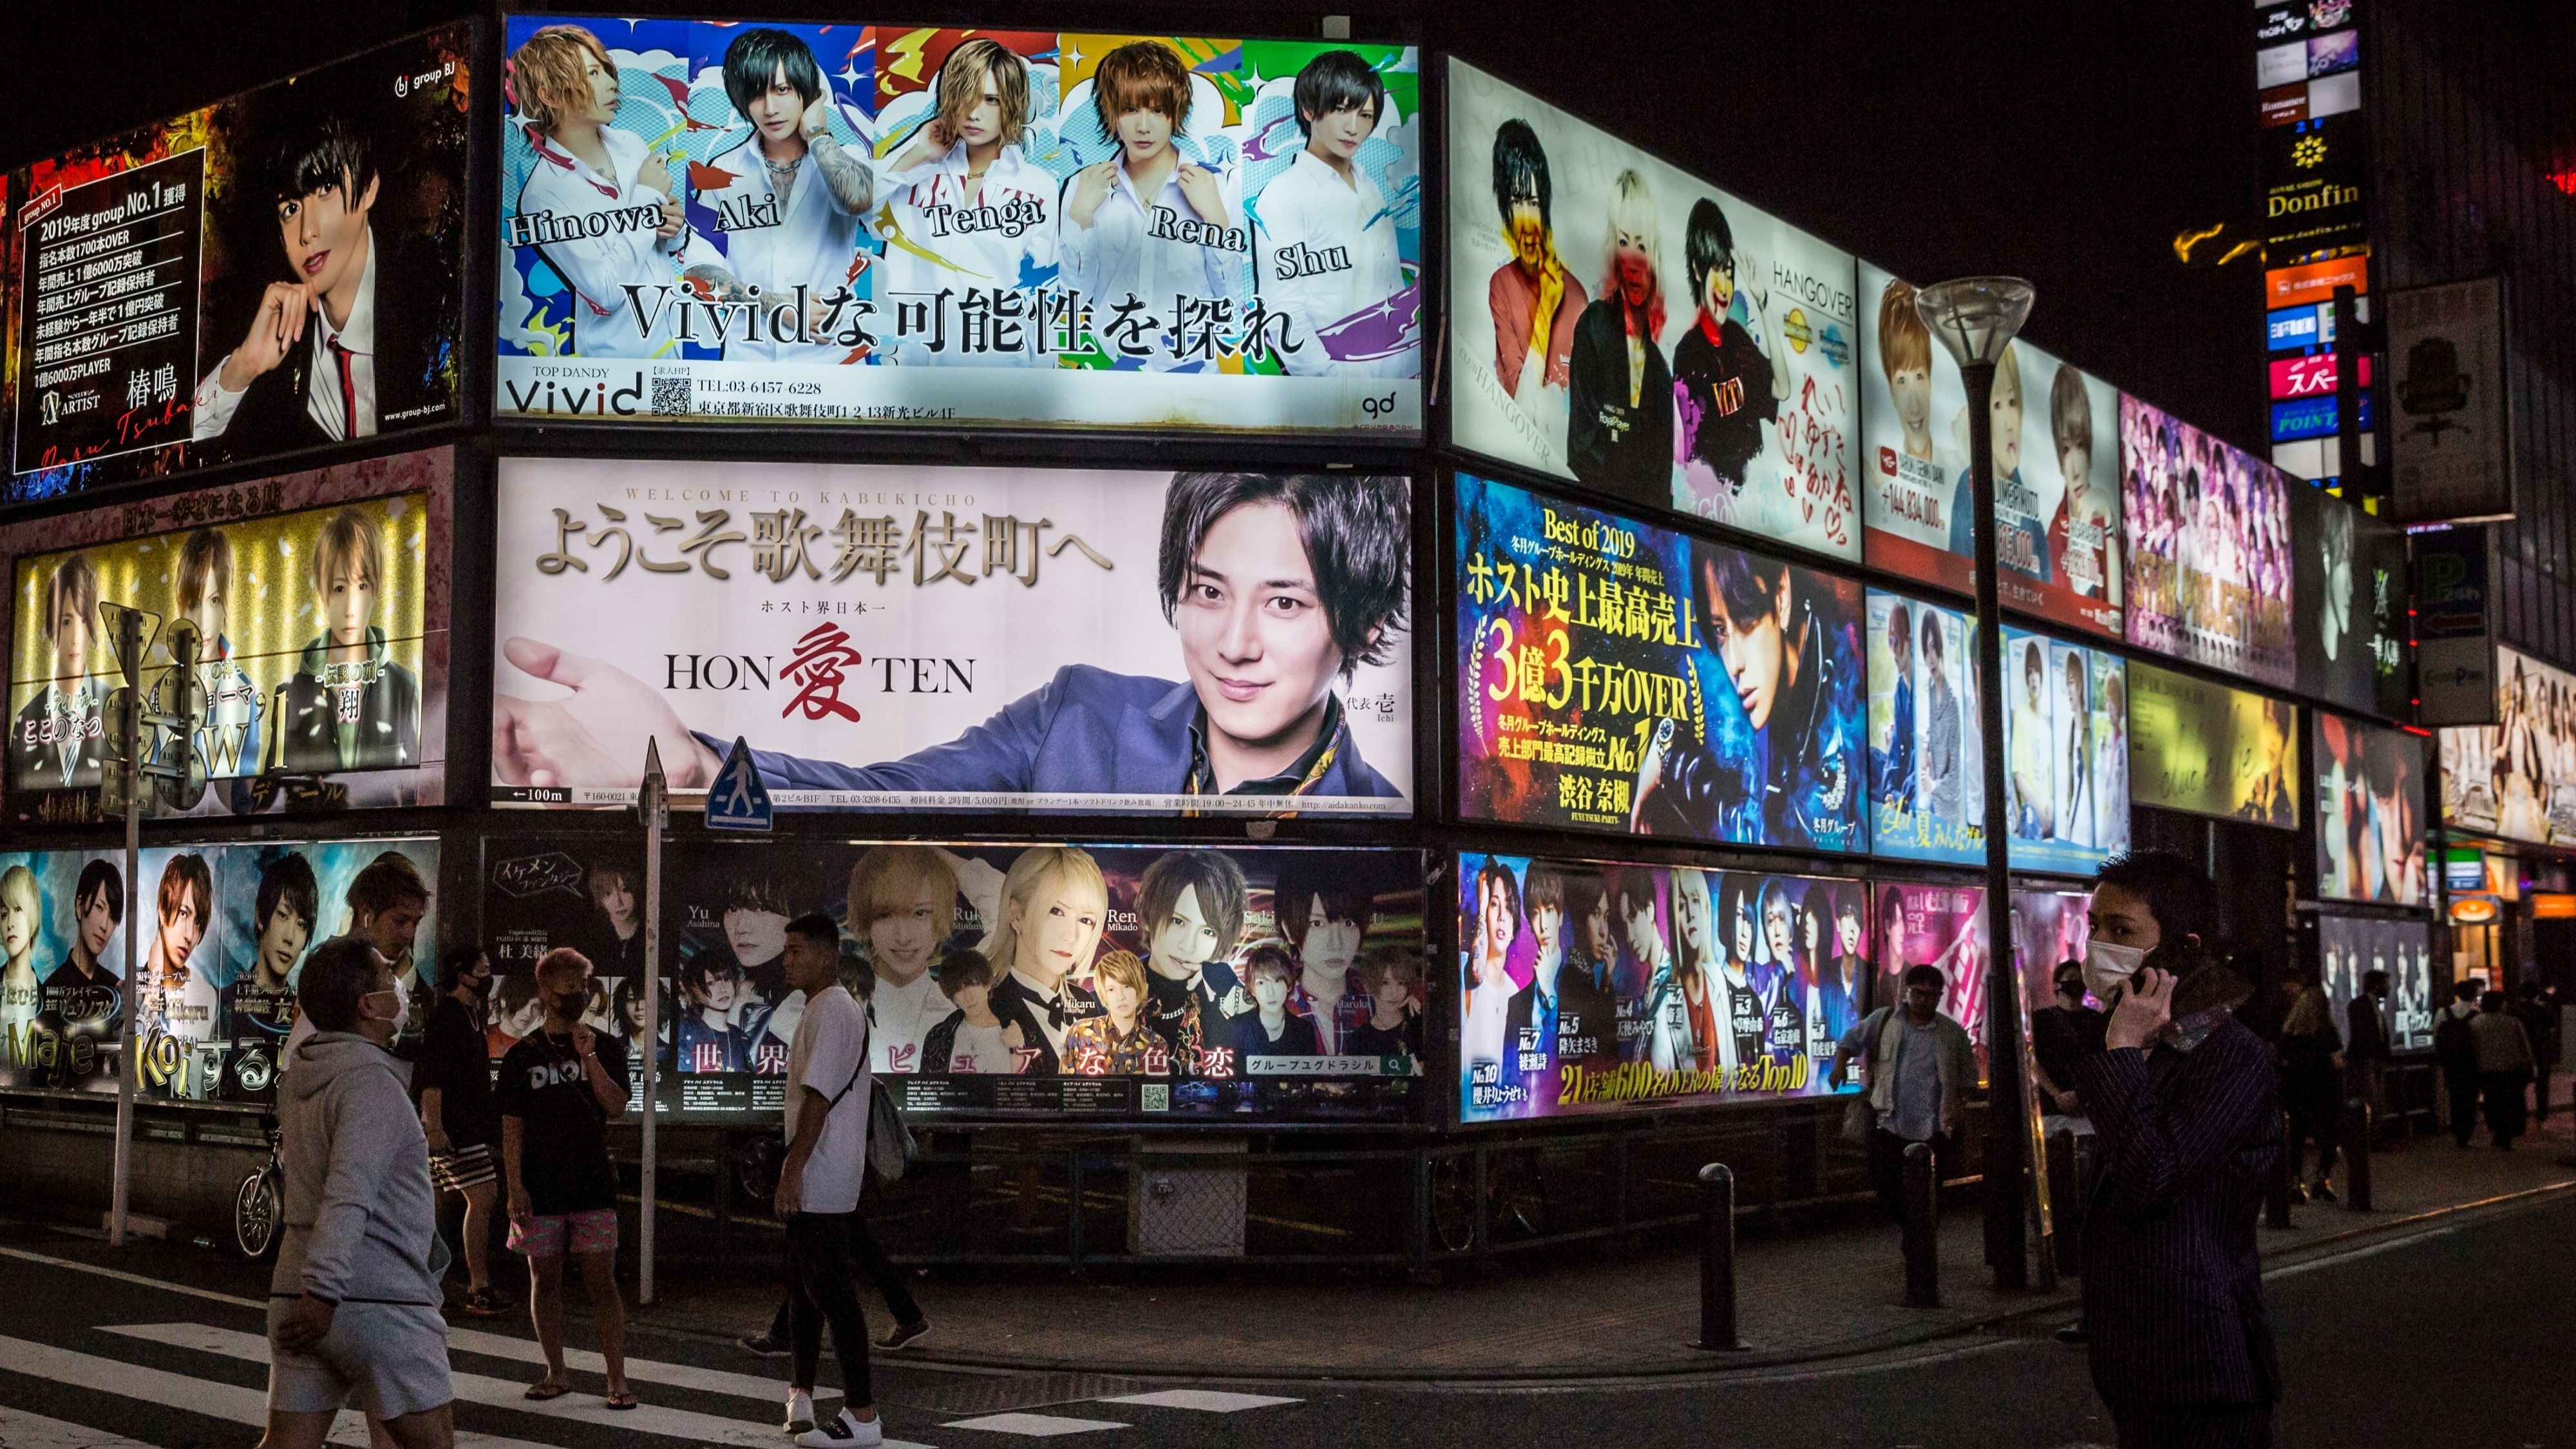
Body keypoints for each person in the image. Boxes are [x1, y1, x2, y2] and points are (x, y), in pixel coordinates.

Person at [494, 471, 1410, 802]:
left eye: (1285, 604)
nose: (1234, 642)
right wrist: (694, 763)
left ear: (1361, 620)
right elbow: (884, 795)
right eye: (1208, 591)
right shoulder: (1081, 716)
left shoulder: (1379, 810)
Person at [2072, 849, 2277, 1449]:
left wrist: (2121, 1053)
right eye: (2094, 926)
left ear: (2183, 949)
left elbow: (2150, 1177)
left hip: (2202, 1374)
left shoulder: (2232, 1055)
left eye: (2122, 931)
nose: (2099, 945)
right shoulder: (2155, 1042)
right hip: (2140, 1369)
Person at [264, 936, 455, 1449]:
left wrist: (313, 1293)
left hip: (295, 1288)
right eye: (388, 979)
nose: (400, 988)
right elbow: (348, 1193)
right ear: (368, 1006)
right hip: (377, 1297)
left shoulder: (302, 1078)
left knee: (287, 1444)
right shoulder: (372, 1083)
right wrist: (325, 1292)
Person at [191, 114, 440, 451]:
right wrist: (244, 365)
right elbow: (177, 451)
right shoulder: (275, 333)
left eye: (326, 189)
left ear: (369, 187)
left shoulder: (430, 298)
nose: (307, 232)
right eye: (291, 208)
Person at [506, 25, 715, 357]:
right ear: (550, 95)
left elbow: (667, 242)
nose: (611, 82)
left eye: (606, 69)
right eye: (593, 73)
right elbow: (606, 291)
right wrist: (646, 200)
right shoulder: (542, 195)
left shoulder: (631, 145)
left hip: (670, 348)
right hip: (613, 366)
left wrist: (673, 227)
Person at [1633, 544, 1855, 848]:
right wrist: (1667, 748)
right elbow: (1755, 817)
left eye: (1745, 618)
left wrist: (1671, 756)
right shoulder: (1783, 700)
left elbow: (1767, 837)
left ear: (1781, 596)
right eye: (1721, 631)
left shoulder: (1841, 704)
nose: (1734, 662)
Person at [496, 949, 633, 1407]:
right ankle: (556, 1371)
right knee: (544, 1279)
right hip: (540, 1188)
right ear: (545, 990)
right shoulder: (521, 1056)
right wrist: (515, 1186)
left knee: (602, 1282)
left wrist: (588, 1058)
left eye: (582, 986)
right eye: (568, 987)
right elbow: (511, 1127)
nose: (577, 995)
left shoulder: (605, 1046)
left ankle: (617, 1378)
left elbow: (617, 1105)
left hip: (592, 1184)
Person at [775, 912, 893, 1446]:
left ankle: (862, 1414)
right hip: (820, 1170)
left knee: (832, 1292)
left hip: (822, 1173)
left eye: (797, 950)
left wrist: (792, 1169)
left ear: (827, 956)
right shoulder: (823, 1007)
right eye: (787, 950)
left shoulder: (834, 1010)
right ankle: (801, 1394)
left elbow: (819, 1098)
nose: (787, 960)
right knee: (805, 1289)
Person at [1058, 40, 1243, 373]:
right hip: (1107, 372)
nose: (1144, 126)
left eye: (1157, 110)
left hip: (1194, 375)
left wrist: (1215, 219)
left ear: (1175, 113)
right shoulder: (1084, 186)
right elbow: (1073, 299)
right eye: (1130, 109)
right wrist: (1081, 216)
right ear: (1113, 112)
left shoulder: (1219, 187)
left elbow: (1232, 300)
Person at [698, 28, 875, 365]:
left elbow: (858, 200)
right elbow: (700, 267)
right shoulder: (722, 171)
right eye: (756, 94)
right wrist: (776, 305)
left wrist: (818, 133)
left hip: (833, 358)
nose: (770, 108)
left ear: (807, 93)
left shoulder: (847, 159)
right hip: (748, 360)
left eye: (782, 90)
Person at [877, 39, 1056, 368]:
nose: (974, 113)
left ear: (1013, 104)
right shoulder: (916, 170)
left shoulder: (1037, 187)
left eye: (991, 100)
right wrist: (919, 153)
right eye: (966, 96)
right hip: (911, 368)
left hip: (997, 368)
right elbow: (855, 208)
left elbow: (1045, 290)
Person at [1251, 50, 1413, 377]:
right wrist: (1333, 385)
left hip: (1396, 382)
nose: (1354, 128)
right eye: (1341, 110)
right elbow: (1283, 313)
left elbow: (1393, 286)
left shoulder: (1368, 185)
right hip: (1336, 387)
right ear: (1309, 110)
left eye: (1365, 115)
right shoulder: (1284, 195)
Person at [278, 506, 422, 773]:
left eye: (362, 586)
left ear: (375, 589)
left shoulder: (404, 687)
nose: (350, 607)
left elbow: (417, 784)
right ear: (323, 593)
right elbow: (273, 790)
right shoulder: (290, 694)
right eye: (339, 588)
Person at [1565, 169, 1672, 505]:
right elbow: (1582, 448)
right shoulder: (1593, 326)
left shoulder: (1660, 372)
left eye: (1642, 245)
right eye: (1624, 243)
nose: (1634, 261)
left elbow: (1663, 486)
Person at [1836, 963, 1975, 1223]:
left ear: (1939, 997)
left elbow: (1968, 1076)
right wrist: (1839, 1066)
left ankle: (1919, 1237)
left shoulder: (1951, 1033)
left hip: (1935, 1129)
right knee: (1886, 1185)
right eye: (1918, 993)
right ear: (1907, 993)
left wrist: (1961, 1104)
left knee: (1930, 1194)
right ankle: (1911, 1228)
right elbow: (1851, 1040)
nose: (1924, 1001)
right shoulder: (1886, 1021)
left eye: (1931, 995)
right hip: (1890, 1124)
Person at [1672, 197, 1788, 501]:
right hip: (1708, 506)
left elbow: (1782, 388)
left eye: (1729, 272)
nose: (1726, 287)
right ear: (1698, 270)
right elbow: (1688, 455)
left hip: (1749, 507)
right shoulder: (1687, 353)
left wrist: (1763, 302)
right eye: (1717, 270)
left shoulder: (1737, 339)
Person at [413, 946, 501, 1317]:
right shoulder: (448, 1017)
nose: (487, 976)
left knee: (438, 1207)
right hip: (454, 1128)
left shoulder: (470, 1015)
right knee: (483, 1196)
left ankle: (425, 1284)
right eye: (482, 969)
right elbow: (431, 1077)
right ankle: (479, 1286)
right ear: (463, 975)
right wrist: (435, 1128)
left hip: (460, 1125)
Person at [1486, 118, 1586, 424]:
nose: (1528, 221)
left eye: (1534, 202)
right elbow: (1523, 411)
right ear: (1506, 208)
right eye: (1517, 203)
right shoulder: (1502, 284)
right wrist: (1545, 311)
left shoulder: (1577, 297)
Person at [976, 847, 1108, 1075]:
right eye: (1056, 911)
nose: (1072, 936)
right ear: (1016, 915)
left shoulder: (1087, 1003)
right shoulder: (985, 1004)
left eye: (1086, 920)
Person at [846, 846, 971, 1074]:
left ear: (941, 915)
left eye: (920, 913)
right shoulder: (837, 1004)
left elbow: (1002, 896)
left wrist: (934, 850)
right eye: (886, 915)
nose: (903, 937)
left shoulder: (963, 1011)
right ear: (866, 918)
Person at [1135, 850, 1251, 1070]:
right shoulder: (1106, 996)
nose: (1189, 946)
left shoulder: (1225, 996)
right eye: (1178, 921)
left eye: (1208, 932)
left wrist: (1229, 992)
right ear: (1149, 917)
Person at [1504, 862, 1616, 1083]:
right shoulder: (1517, 1003)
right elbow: (1509, 1078)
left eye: (1549, 911)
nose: (1544, 925)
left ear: (1562, 915)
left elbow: (1595, 1062)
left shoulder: (1577, 982)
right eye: (1535, 914)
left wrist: (1550, 996)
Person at [12, 554, 106, 793]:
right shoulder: (26, 719)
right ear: (51, 627)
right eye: (66, 622)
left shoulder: (114, 705)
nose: (76, 638)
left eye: (84, 621)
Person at [35, 860, 124, 1089]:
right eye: (100, 908)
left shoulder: (115, 990)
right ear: (79, 905)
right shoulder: (51, 990)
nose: (105, 925)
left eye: (113, 917)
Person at [1273, 855, 1376, 1054]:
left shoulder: (1378, 998)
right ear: (1288, 929)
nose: (1336, 943)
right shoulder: (1274, 1002)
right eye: (1318, 924)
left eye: (1348, 923)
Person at [2276, 969, 2345, 1200]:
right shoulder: (2327, 1032)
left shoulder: (2289, 1033)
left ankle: (2295, 1181)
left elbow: (2282, 1060)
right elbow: (2337, 1062)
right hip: (2324, 1089)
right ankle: (2322, 1178)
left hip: (2296, 1090)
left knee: (2296, 1135)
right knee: (2329, 1135)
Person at [2049, 363, 2114, 601]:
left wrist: (2109, 525)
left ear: (2090, 451)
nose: (2075, 470)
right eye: (2066, 450)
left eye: (2080, 445)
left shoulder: (2106, 522)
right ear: (2059, 458)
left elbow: (2120, 612)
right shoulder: (2054, 537)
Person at [1059, 949, 1171, 1075]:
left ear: (1139, 988)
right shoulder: (1079, 1033)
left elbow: (1159, 1087)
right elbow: (1064, 1085)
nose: (1121, 997)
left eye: (1127, 987)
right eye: (1111, 990)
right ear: (1103, 994)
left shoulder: (1156, 1044)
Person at [918, 950, 1019, 1075]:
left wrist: (1020, 1046)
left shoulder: (1016, 1029)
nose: (968, 997)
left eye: (973, 985)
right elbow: (927, 1083)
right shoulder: (939, 1036)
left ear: (987, 984)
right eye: (958, 990)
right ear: (953, 998)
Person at [2030, 960, 2106, 1117]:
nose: (2076, 984)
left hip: (2090, 1112)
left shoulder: (2097, 1021)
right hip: (2051, 1112)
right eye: (2071, 978)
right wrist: (2057, 1095)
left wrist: (2083, 1096)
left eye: (2080, 980)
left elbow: (2103, 1064)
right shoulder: (2040, 1020)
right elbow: (2031, 1061)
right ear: (2057, 985)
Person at [1226, 943, 1322, 1061]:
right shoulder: (1236, 1027)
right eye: (1261, 983)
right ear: (1252, 990)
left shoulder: (1304, 1031)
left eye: (1277, 981)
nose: (1270, 992)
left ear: (1289, 985)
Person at [2470, 990, 2535, 1151]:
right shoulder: (2512, 1022)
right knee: (2510, 1103)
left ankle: (2497, 1132)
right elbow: (2525, 1047)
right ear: (2501, 1004)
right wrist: (2530, 1064)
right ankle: (2506, 1136)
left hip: (2486, 1070)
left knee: (2492, 1101)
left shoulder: (2475, 1023)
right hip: (2511, 1070)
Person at [1344, 945, 1425, 1070]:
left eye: (1401, 983)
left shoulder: (1420, 1026)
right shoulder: (1358, 1040)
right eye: (1385, 983)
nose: (1394, 992)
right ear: (1368, 985)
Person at [1918, 611, 1962, 828]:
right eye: (1926, 651)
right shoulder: (1928, 688)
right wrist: (1926, 747)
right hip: (1932, 802)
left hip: (1947, 812)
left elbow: (1954, 782)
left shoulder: (1952, 703)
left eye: (1933, 647)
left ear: (1941, 647)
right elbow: (1932, 729)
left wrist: (1933, 785)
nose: (1930, 658)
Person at [2434, 979, 2484, 1148]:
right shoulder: (2477, 1014)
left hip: (2452, 1064)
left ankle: (2458, 1132)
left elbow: (2436, 1036)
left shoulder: (2443, 1012)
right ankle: (2467, 1133)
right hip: (2471, 1064)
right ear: (2474, 994)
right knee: (2471, 1098)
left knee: (2455, 1097)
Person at [2344, 967, 2392, 1133]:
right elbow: (2363, 1035)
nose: (2389, 988)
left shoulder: (2372, 1006)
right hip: (2366, 1061)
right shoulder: (2359, 1006)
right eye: (2386, 984)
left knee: (2378, 1098)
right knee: (2373, 1099)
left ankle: (2376, 1133)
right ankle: (2372, 1134)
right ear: (2376, 985)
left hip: (2376, 1060)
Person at [1878, 601, 1916, 810]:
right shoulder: (1900, 689)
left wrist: (1900, 796)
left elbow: (1922, 756)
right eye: (1889, 642)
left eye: (1896, 642)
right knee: (1871, 757)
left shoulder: (1923, 689)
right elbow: (1895, 746)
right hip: (1903, 773)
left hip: (1918, 778)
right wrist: (1889, 789)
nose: (1893, 651)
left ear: (1909, 641)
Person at [585, 862, 645, 979]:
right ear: (600, 899)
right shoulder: (594, 940)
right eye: (608, 893)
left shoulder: (651, 934)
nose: (618, 902)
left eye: (625, 890)